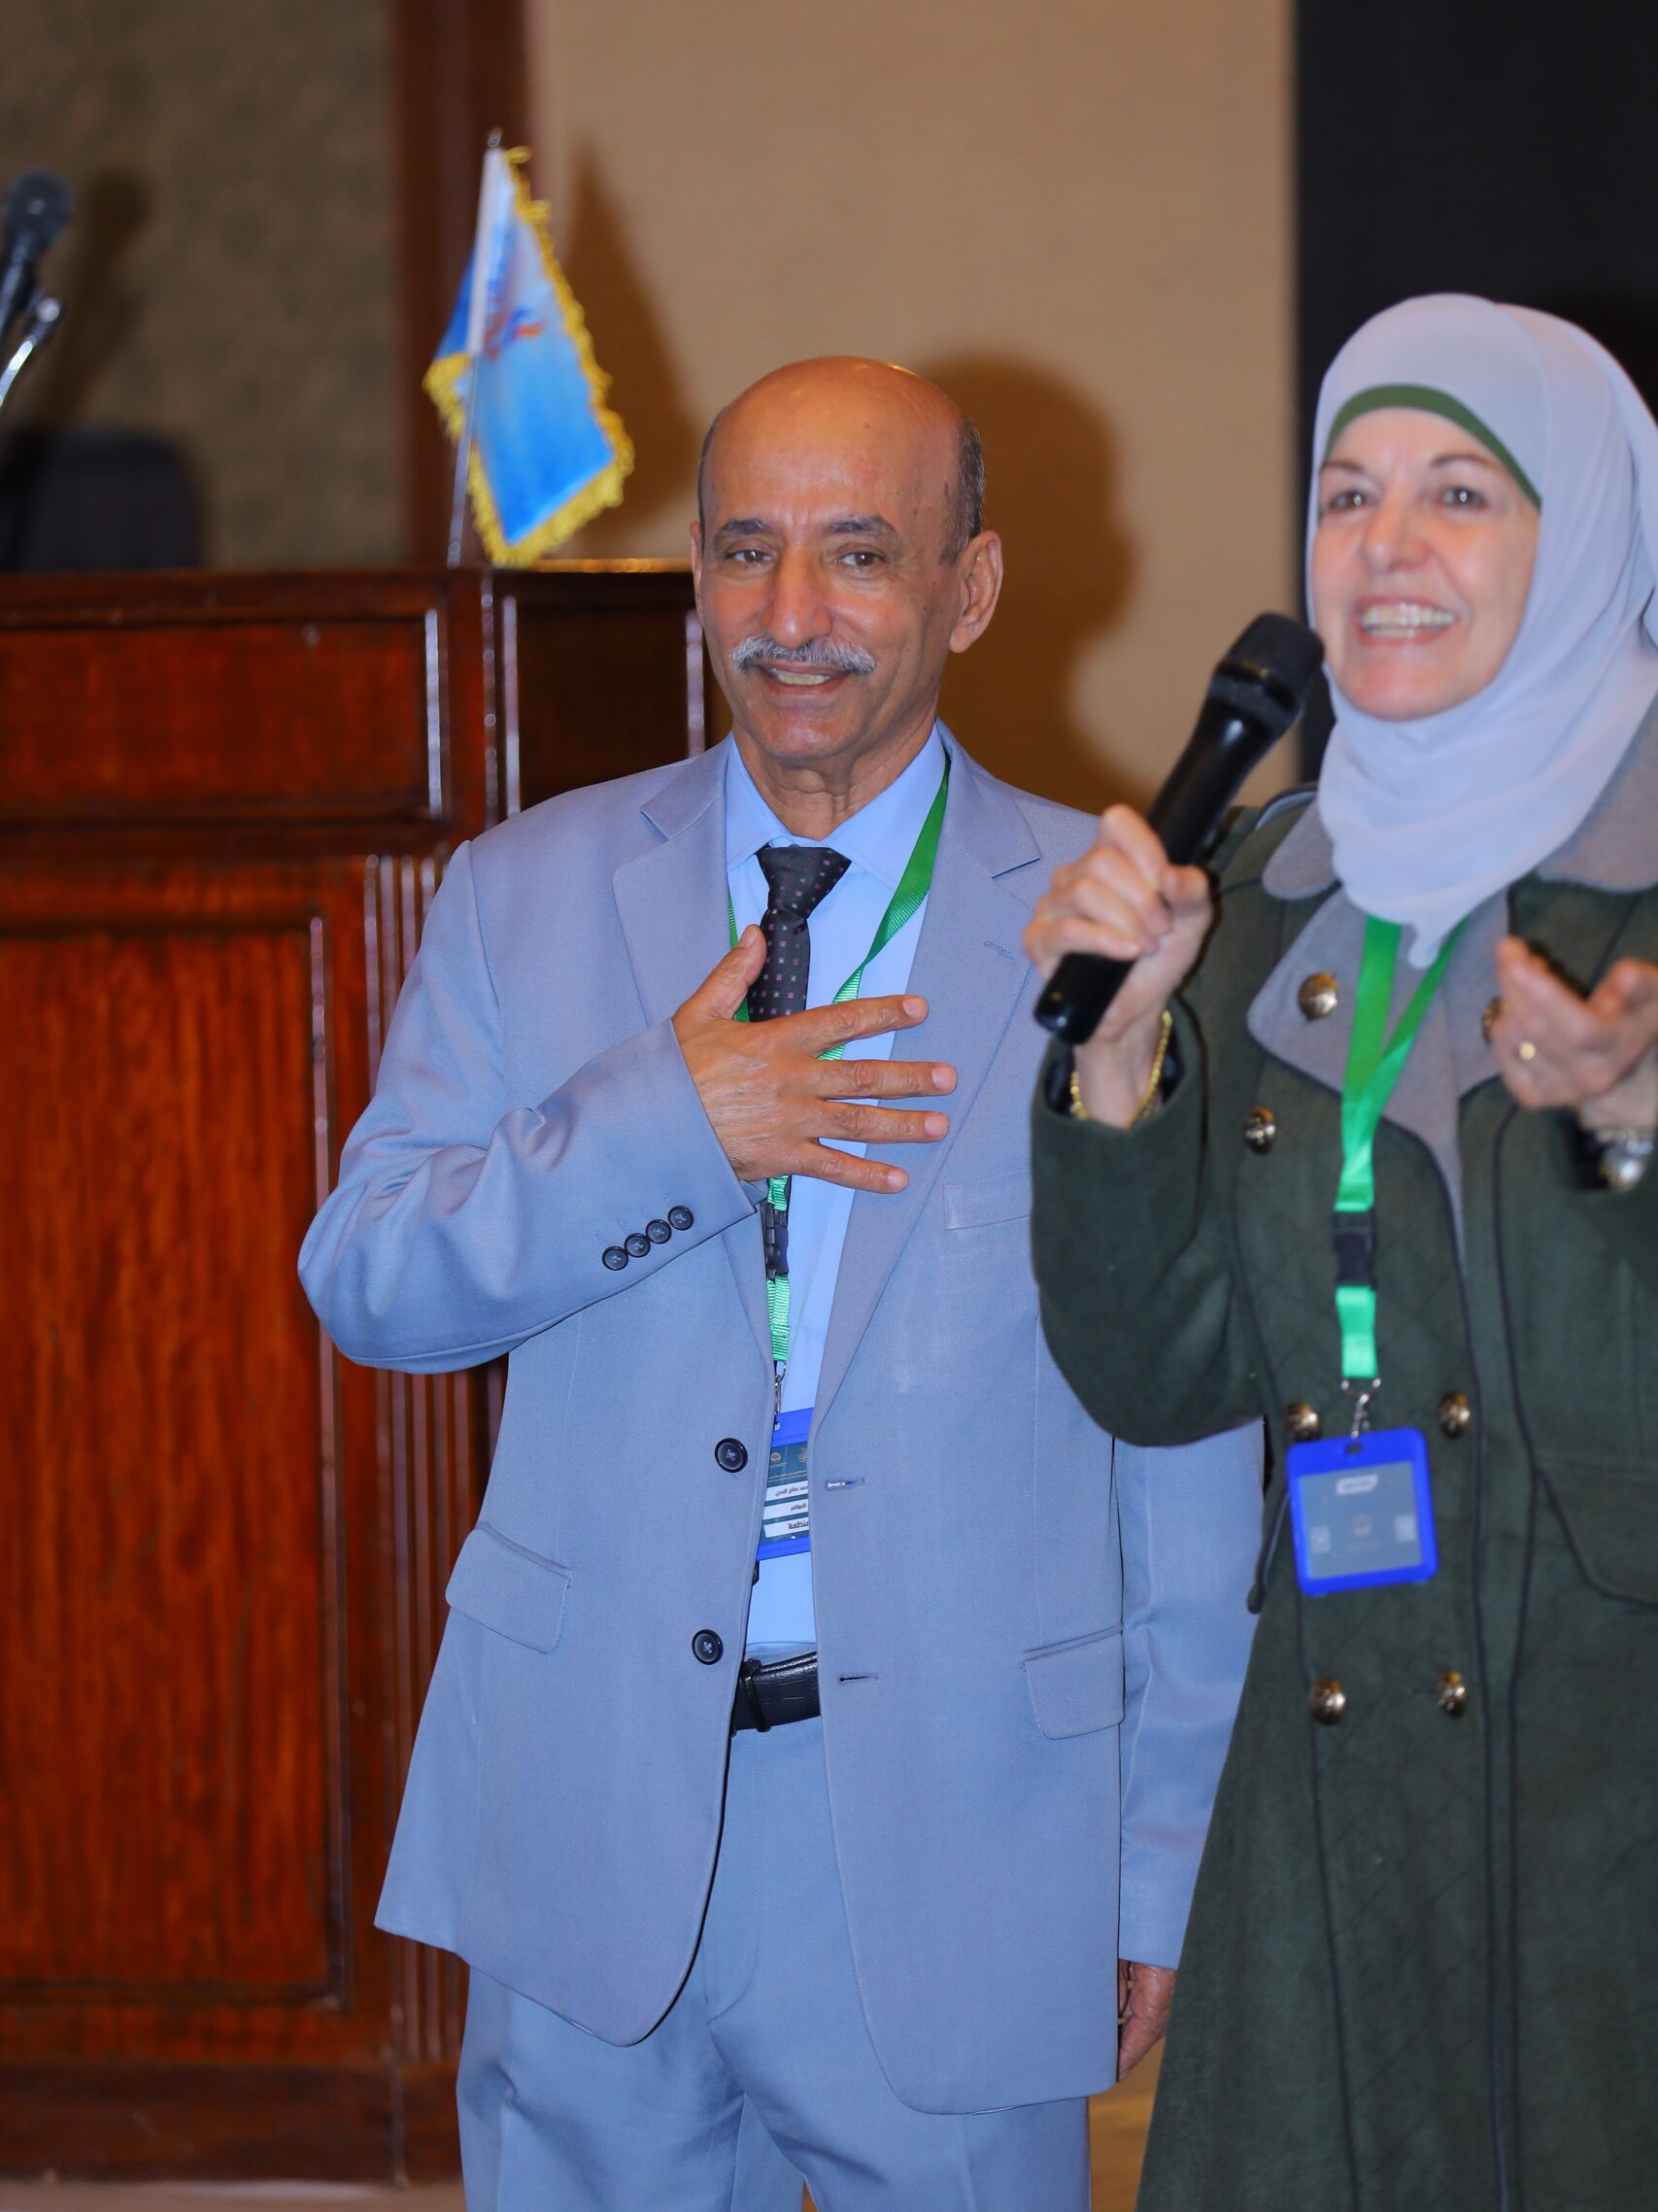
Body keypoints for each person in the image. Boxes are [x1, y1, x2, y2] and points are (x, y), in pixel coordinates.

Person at [298, 357, 1261, 2212]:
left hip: (965, 1832)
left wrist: (1162, 1863)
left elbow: (1189, 1436)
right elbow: (371, 1282)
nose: (791, 613)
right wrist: (668, 1124)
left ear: (971, 588)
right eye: (746, 551)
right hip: (588, 1819)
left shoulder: (1115, 919)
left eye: (859, 553)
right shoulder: (522, 890)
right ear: (696, 575)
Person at [1025, 294, 1658, 2211]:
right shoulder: (1267, 887)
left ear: (1590, 531)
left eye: (1460, 493)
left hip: (1613, 1776)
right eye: (1346, 493)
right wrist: (1123, 1051)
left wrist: (1626, 1132)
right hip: (1336, 1771)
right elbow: (1162, 1372)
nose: (1384, 549)